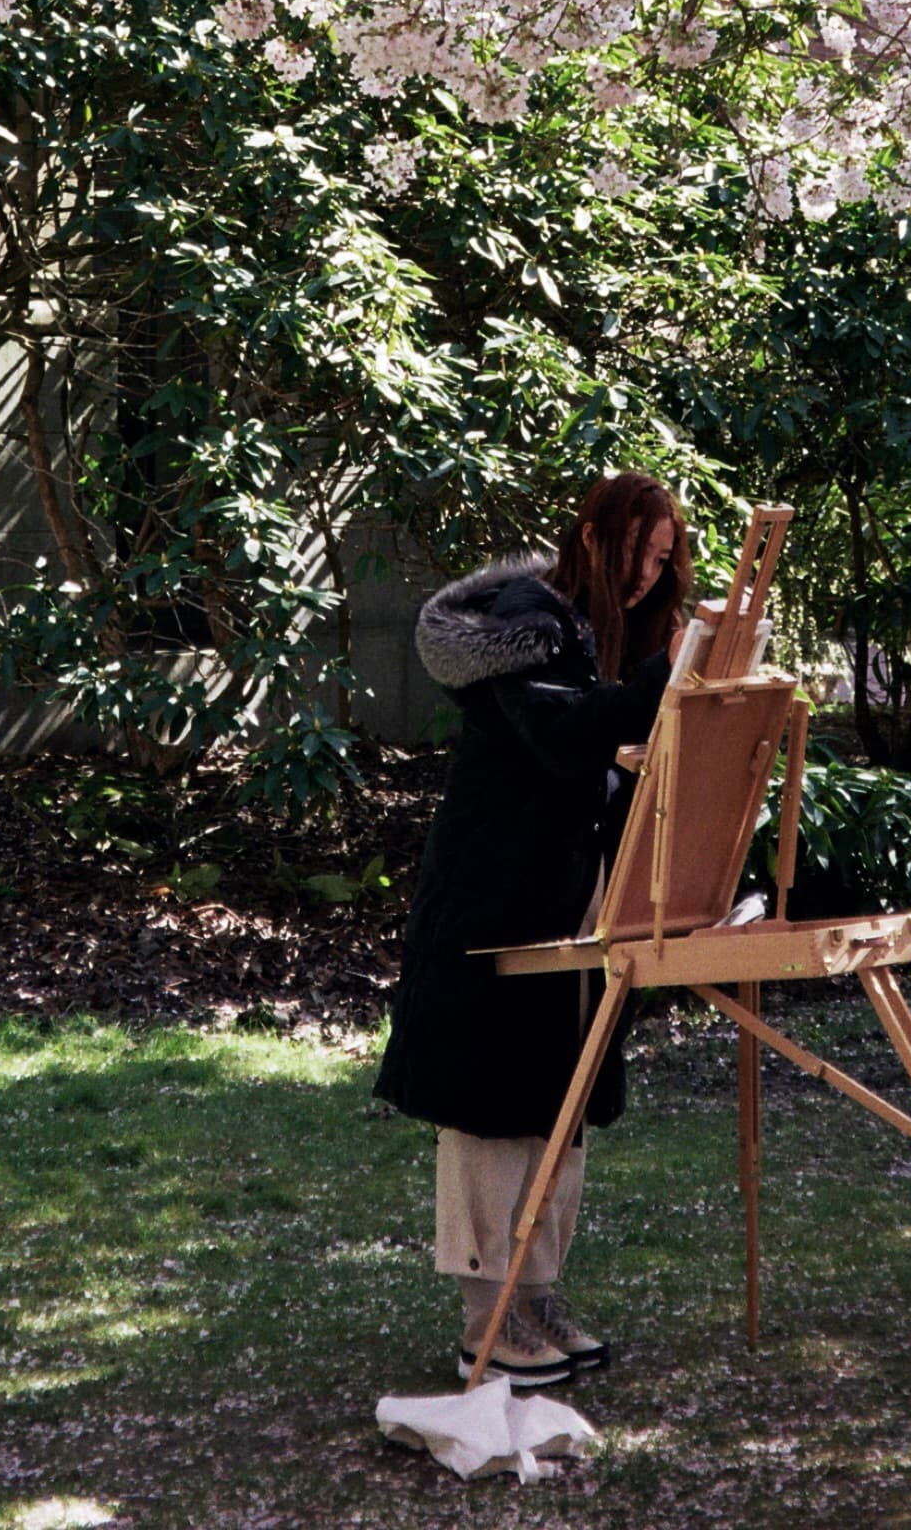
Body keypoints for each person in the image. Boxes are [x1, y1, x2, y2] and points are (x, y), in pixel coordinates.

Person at [374, 473, 690, 1388]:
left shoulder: (594, 634)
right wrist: (666, 681)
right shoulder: (532, 617)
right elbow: (562, 736)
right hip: (494, 901)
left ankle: (535, 1292)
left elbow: (597, 758)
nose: (650, 573)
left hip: (565, 898)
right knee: (490, 1104)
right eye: (642, 551)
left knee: (560, 1095)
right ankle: (487, 1317)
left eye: (665, 559)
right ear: (595, 534)